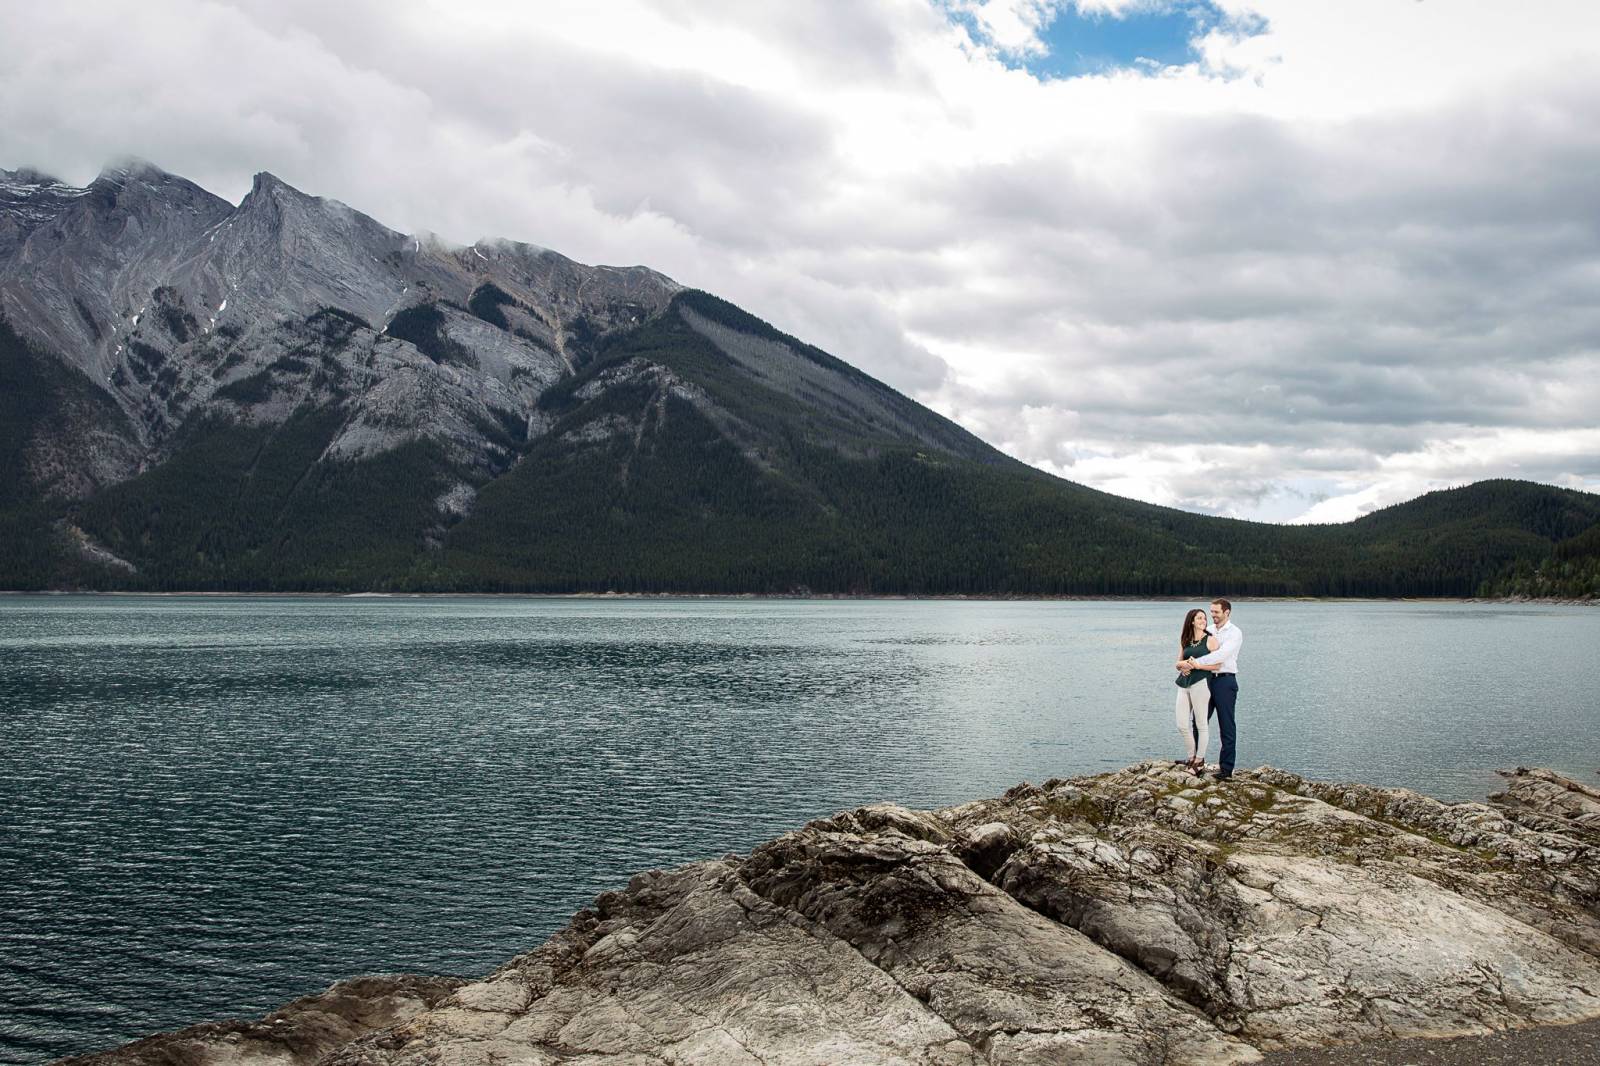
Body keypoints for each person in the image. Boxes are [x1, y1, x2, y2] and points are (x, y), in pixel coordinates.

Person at [1178, 598, 1243, 780]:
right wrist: (1187, 664)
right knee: (1198, 722)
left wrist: (1194, 664)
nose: (1212, 615)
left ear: (1226, 612)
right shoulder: (1209, 630)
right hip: (1205, 681)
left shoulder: (1235, 633)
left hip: (1225, 682)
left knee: (1226, 725)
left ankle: (1226, 769)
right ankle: (1197, 761)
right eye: (1211, 612)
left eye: (1216, 612)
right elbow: (1194, 646)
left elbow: (1220, 656)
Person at [1173, 608, 1215, 772]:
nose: (1203, 621)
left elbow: (1218, 665)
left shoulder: (1210, 640)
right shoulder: (1186, 640)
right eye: (1199, 618)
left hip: (1201, 683)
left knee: (1201, 724)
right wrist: (1183, 665)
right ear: (1191, 621)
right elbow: (1177, 663)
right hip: (1184, 684)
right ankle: (1191, 757)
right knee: (1181, 724)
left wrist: (1198, 665)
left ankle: (1199, 761)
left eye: (1204, 618)